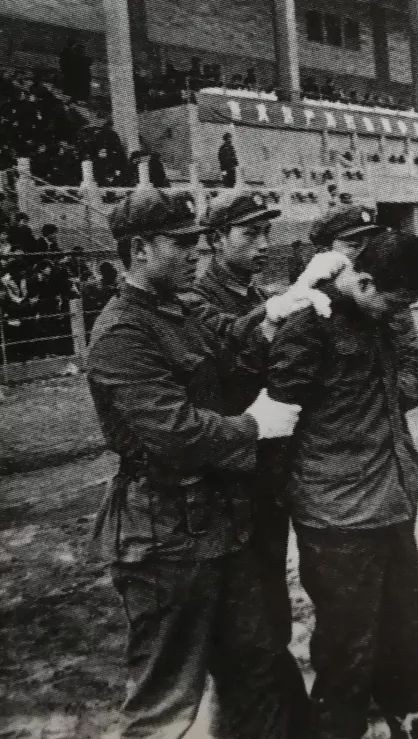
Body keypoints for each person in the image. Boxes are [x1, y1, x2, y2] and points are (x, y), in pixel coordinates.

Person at [86, 187, 344, 737]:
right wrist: (254, 426)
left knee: (254, 661)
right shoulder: (121, 332)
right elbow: (172, 432)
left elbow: (228, 332)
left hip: (220, 523)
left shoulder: (178, 305)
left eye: (196, 242)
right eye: (178, 243)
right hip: (163, 535)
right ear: (138, 250)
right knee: (166, 699)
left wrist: (281, 303)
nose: (193, 254)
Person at [266, 208, 418, 739]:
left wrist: (381, 401)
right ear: (363, 282)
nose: (397, 313)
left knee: (409, 624)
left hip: (389, 494)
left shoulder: (380, 312)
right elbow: (277, 419)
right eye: (393, 301)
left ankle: (408, 711)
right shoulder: (309, 323)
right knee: (348, 642)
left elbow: (411, 372)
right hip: (336, 511)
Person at [194, 190, 309, 735]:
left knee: (269, 607)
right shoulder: (199, 301)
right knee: (240, 627)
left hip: (263, 478)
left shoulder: (255, 293)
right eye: (250, 234)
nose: (264, 244)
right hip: (223, 483)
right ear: (215, 240)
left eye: (268, 232)